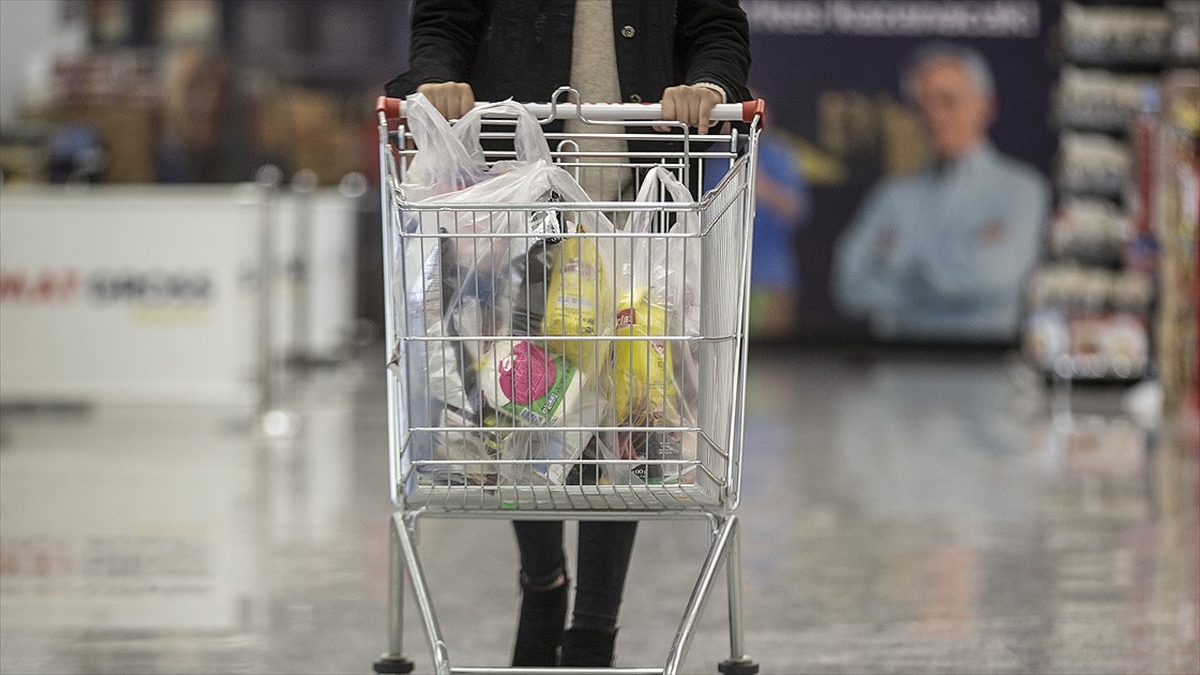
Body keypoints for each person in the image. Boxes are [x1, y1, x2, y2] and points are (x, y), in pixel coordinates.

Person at [385, 0, 750, 667]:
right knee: (524, 394)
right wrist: (436, 78)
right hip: (515, 197)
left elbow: (715, 26)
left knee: (623, 413)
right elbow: (443, 20)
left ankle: (592, 629)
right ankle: (543, 580)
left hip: (639, 195)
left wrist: (711, 87)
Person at [832, 42, 1050, 342]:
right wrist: (962, 257)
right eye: (922, 105)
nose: (934, 116)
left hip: (986, 371)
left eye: (947, 101)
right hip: (898, 372)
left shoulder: (1023, 189)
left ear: (985, 105)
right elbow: (850, 287)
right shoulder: (892, 194)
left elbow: (994, 275)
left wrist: (897, 264)